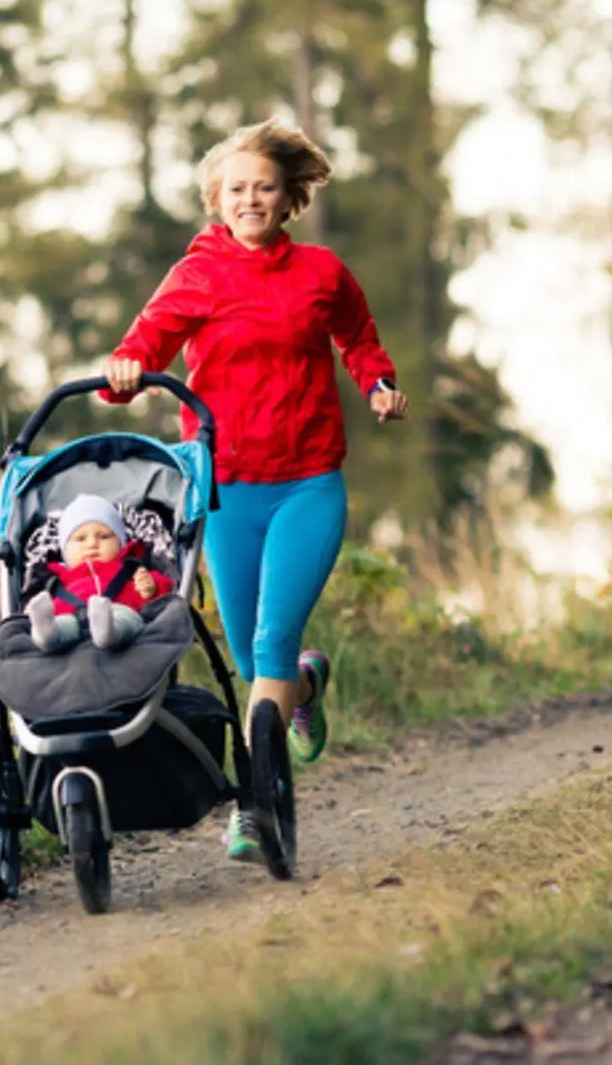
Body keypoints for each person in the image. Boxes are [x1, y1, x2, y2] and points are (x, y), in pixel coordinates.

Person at [100, 118, 410, 862]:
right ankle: (303, 685)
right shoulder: (197, 275)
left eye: (264, 187)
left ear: (287, 196)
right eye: (237, 189)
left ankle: (255, 805)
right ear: (217, 198)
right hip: (227, 488)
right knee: (253, 661)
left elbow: (359, 337)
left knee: (271, 638)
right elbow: (148, 340)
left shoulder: (322, 273)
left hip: (308, 482)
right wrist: (124, 368)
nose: (251, 199)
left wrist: (378, 382)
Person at [26, 494, 172, 653]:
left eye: (103, 537)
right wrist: (29, 609)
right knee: (62, 624)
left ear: (120, 543)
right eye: (80, 539)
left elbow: (165, 588)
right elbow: (45, 597)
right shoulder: (57, 580)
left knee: (127, 619)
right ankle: (47, 634)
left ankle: (109, 632)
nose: (92, 544)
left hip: (119, 611)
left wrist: (150, 587)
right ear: (65, 551)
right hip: (72, 617)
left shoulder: (129, 568)